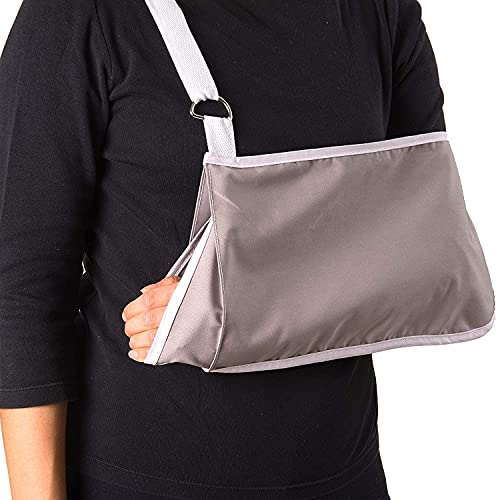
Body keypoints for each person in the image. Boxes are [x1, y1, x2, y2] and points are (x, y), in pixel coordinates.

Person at [0, 0, 445, 498]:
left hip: (343, 472)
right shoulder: (82, 14)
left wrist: (241, 302)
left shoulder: (380, 11)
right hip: (141, 478)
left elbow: (424, 245)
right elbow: (22, 287)